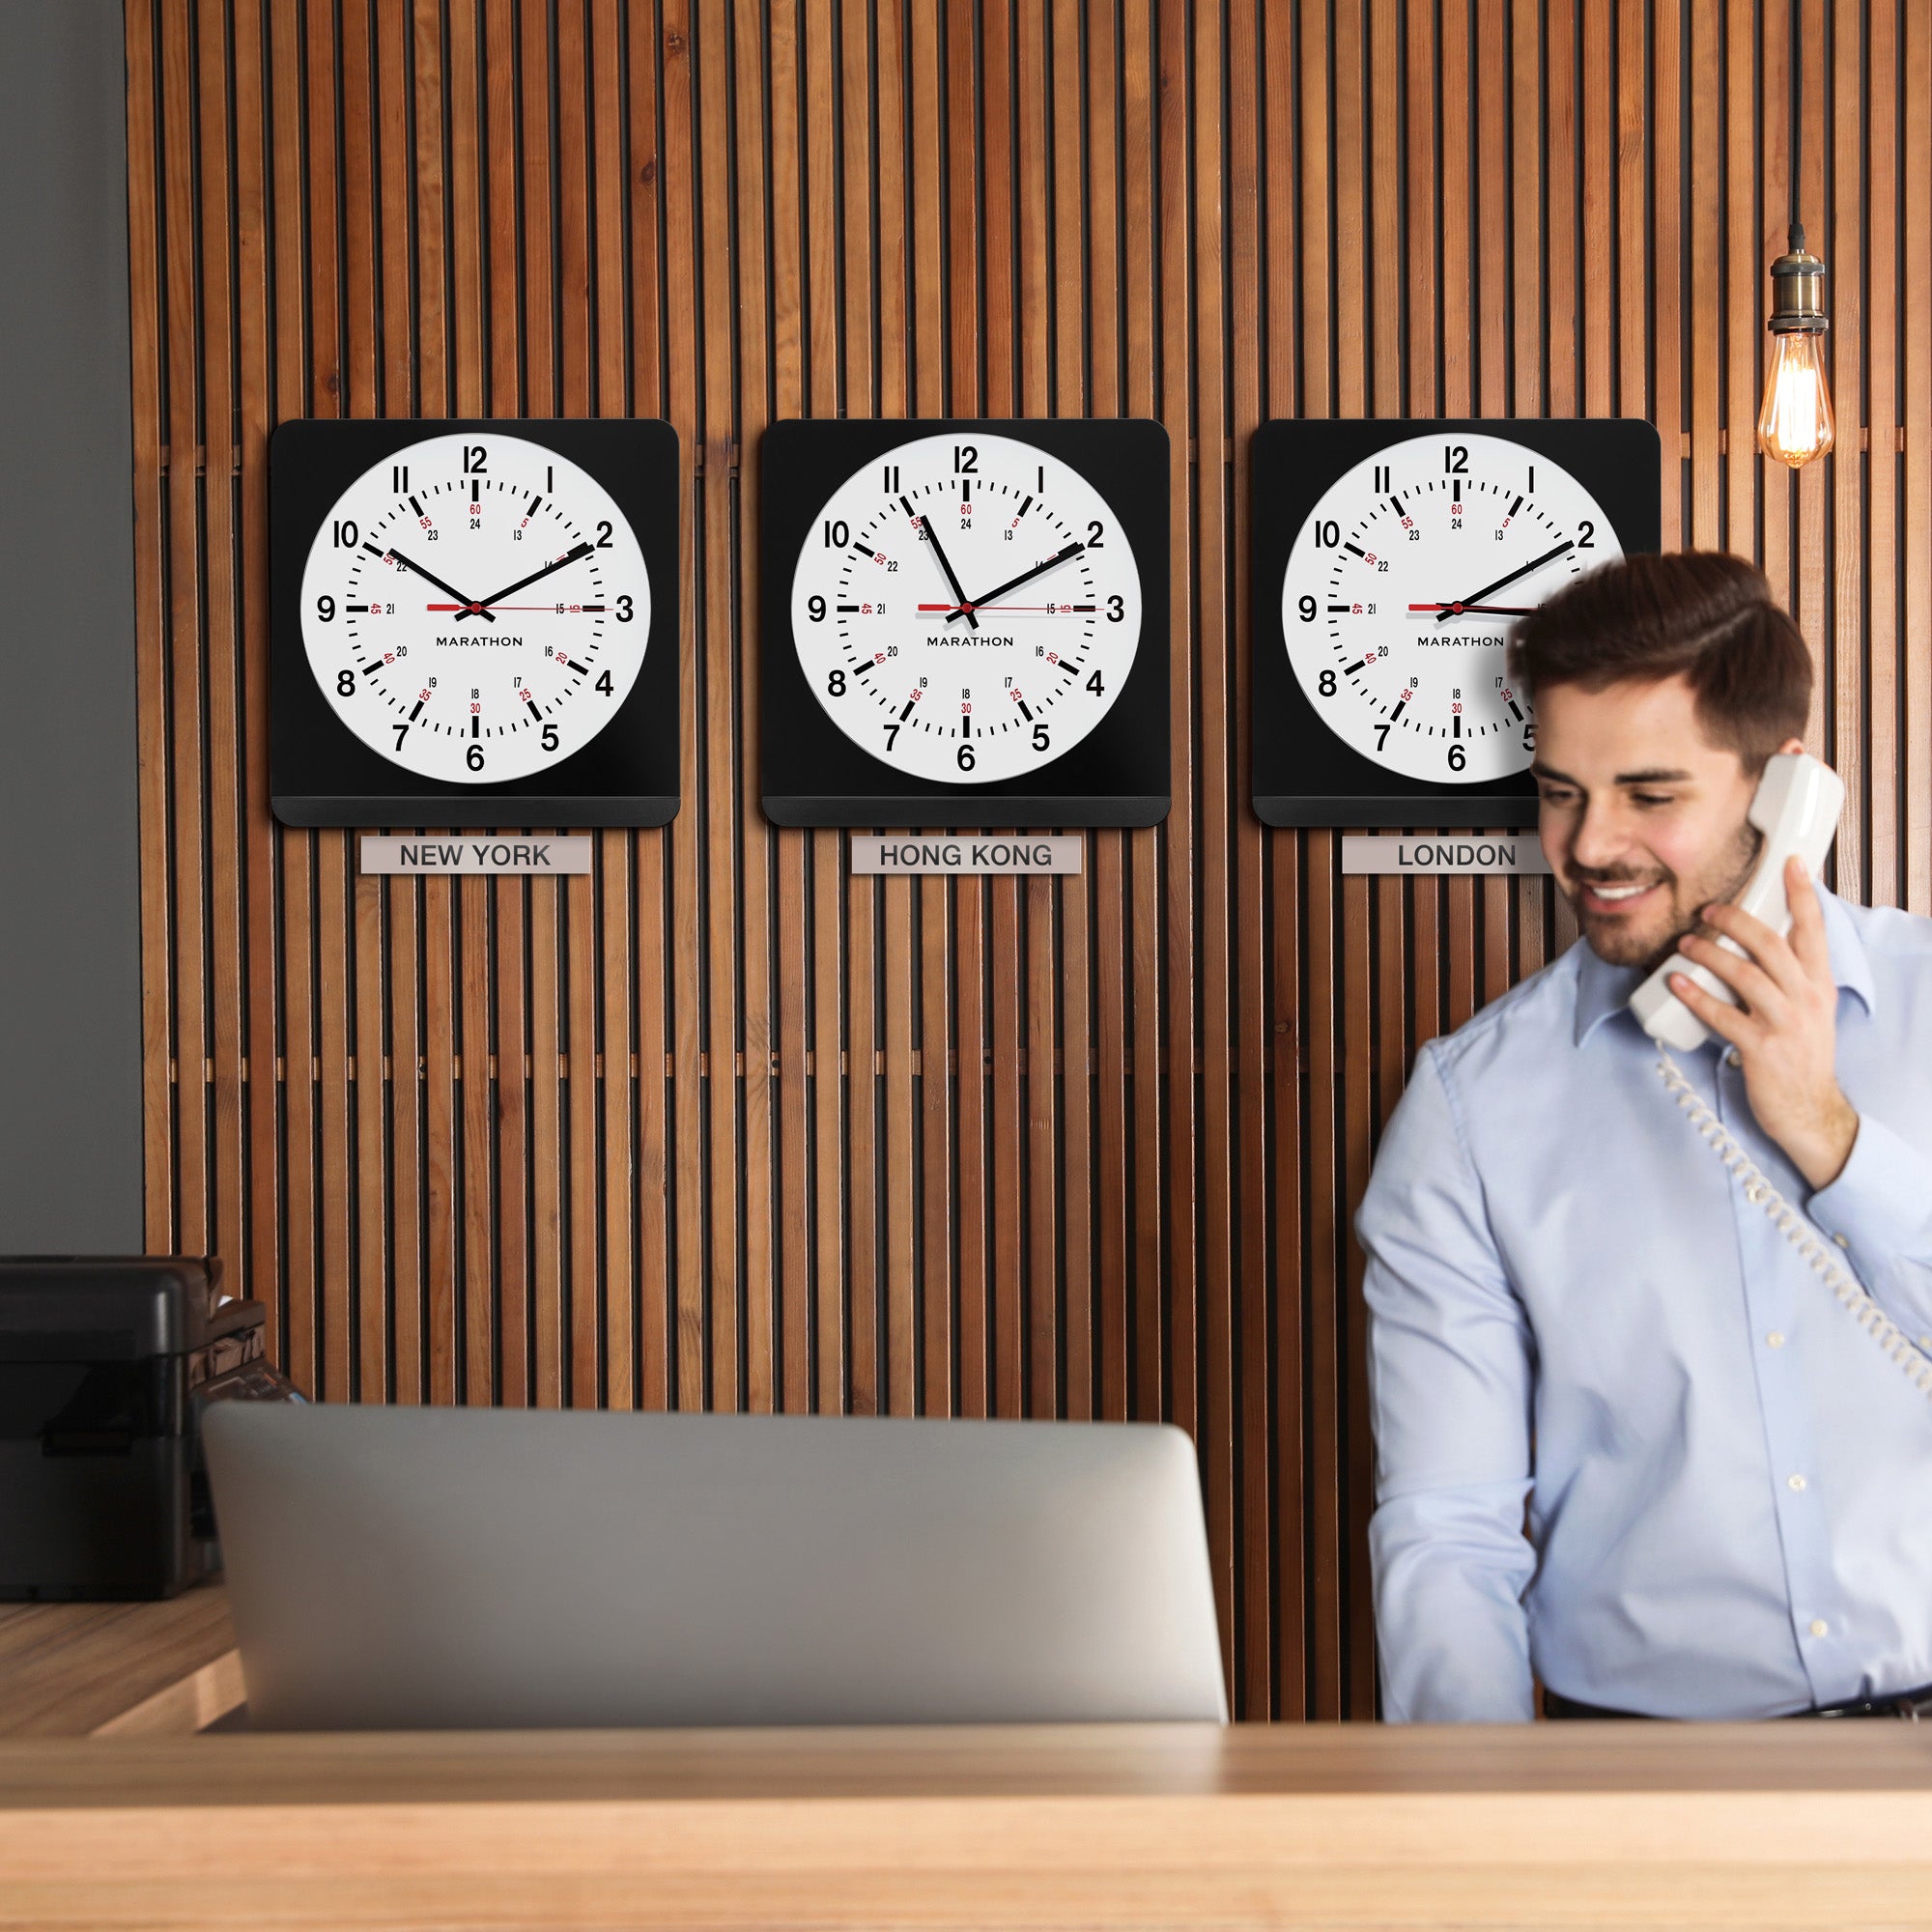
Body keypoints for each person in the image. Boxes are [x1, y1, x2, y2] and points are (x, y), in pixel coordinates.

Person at [1358, 551, 1932, 1722]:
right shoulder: (1468, 1109)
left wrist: (1827, 1138)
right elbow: (1447, 1531)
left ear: (1780, 794)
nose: (1585, 845)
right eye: (1559, 790)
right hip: (1637, 1771)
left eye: (1649, 794)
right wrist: (1480, 1839)